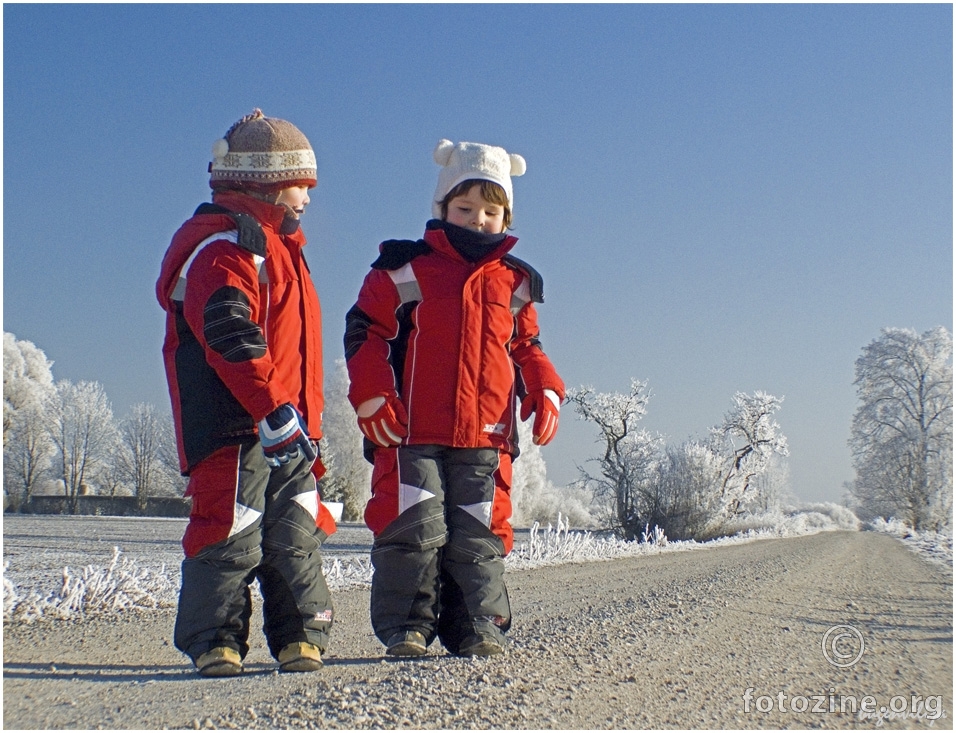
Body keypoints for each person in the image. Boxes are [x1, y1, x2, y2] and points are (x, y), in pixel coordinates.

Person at [344, 139, 565, 657]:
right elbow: (365, 333)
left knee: (479, 533)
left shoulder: (516, 282)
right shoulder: (404, 268)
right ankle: (407, 628)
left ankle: (477, 627)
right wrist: (373, 394)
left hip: (486, 434)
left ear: (506, 215)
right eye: (465, 209)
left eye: (492, 212)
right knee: (411, 528)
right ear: (442, 209)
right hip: (409, 432)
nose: (478, 220)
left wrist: (546, 386)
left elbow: (527, 345)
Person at [156, 109, 336, 677]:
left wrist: (304, 422)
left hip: (287, 421)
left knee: (295, 531)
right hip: (236, 422)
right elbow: (230, 333)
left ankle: (300, 636)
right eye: (298, 185)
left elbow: (297, 353)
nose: (307, 198)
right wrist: (271, 408)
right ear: (261, 183)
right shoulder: (227, 248)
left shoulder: (285, 251)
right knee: (229, 525)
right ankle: (216, 638)